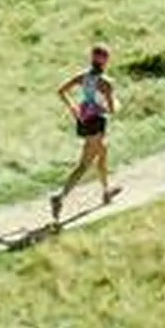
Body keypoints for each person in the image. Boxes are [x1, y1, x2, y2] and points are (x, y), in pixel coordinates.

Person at [52, 45, 117, 222]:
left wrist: (73, 108)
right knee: (84, 164)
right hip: (97, 122)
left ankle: (106, 191)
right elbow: (111, 109)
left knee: (103, 153)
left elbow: (61, 91)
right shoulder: (107, 83)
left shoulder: (83, 77)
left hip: (84, 120)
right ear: (106, 60)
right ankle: (60, 196)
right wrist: (111, 106)